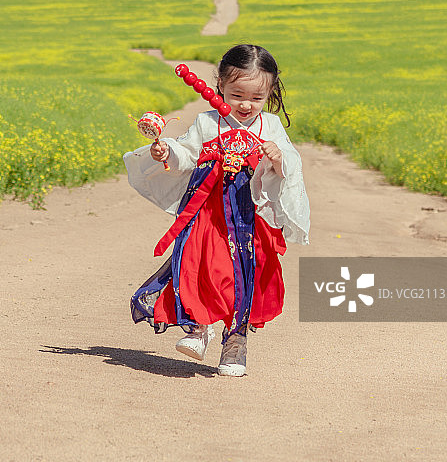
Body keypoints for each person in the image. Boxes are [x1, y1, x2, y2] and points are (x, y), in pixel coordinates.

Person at [123, 44, 310, 377]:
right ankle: (197, 327)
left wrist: (278, 157)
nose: (246, 105)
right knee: (201, 267)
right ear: (220, 85)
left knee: (242, 277)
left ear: (269, 94)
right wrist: (167, 152)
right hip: (209, 214)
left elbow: (290, 164)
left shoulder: (270, 126)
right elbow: (188, 153)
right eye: (237, 94)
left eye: (256, 98)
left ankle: (235, 342)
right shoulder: (208, 122)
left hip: (250, 217)